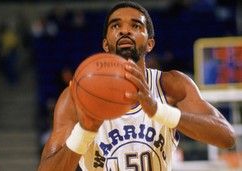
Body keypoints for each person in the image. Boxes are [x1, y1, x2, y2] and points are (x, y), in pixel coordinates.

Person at [38, 1, 235, 171]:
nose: (125, 30)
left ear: (150, 44)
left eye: (136, 26)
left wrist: (160, 111)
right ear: (106, 45)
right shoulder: (76, 97)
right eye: (116, 26)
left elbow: (226, 136)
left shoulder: (170, 86)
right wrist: (85, 131)